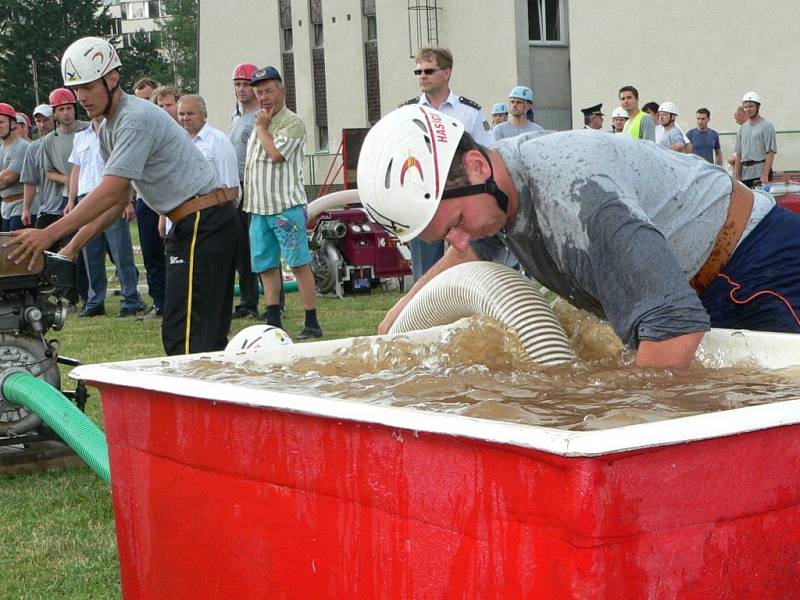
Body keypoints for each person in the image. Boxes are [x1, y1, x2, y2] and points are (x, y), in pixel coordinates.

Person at [357, 105, 800, 370]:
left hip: (755, 267)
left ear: (476, 167)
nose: (456, 240)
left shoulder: (577, 202)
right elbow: (470, 255)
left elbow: (674, 327)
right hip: (693, 281)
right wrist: (395, 323)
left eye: (453, 222)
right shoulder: (494, 190)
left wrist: (615, 421)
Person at [7, 36, 239, 355]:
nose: (81, 97)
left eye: (88, 86)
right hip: (192, 222)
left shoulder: (134, 119)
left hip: (204, 221)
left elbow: (111, 190)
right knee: (189, 334)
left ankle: (201, 404)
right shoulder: (110, 128)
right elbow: (117, 203)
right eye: (76, 89)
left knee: (189, 338)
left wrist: (48, 235)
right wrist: (71, 248)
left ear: (112, 79)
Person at [398, 46, 492, 281]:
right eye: (418, 72)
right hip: (424, 199)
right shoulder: (409, 112)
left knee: (467, 268)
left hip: (463, 199)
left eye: (429, 71)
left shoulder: (469, 113)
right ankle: (425, 317)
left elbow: (487, 156)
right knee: (425, 274)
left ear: (447, 73)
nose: (422, 76)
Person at [243, 66, 322, 339]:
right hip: (259, 208)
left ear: (282, 92)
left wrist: (262, 129)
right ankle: (273, 318)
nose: (263, 97)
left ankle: (311, 320)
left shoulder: (292, 123)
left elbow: (275, 155)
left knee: (298, 263)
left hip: (285, 207)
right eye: (259, 92)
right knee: (265, 265)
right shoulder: (259, 121)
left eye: (268, 91)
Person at [66, 115, 145, 317]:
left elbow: (123, 168)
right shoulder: (81, 137)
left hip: (111, 198)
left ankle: (131, 299)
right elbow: (76, 169)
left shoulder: (114, 132)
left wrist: (126, 200)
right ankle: (95, 302)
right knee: (90, 254)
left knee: (121, 253)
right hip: (86, 199)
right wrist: (71, 200)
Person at [228, 62, 262, 319]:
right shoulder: (237, 118)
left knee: (259, 246)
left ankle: (272, 301)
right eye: (237, 84)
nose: (241, 89)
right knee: (240, 248)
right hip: (236, 187)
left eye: (245, 84)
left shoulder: (261, 117)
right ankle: (248, 301)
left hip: (254, 186)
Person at [21, 105, 57, 229]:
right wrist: (26, 209)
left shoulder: (68, 140)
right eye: (38, 121)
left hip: (70, 207)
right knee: (38, 248)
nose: (42, 125)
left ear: (55, 119)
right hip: (46, 209)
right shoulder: (33, 148)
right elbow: (29, 181)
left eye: (46, 120)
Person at [734, 92, 777, 189]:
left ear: (757, 107)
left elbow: (770, 152)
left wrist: (765, 174)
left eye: (751, 106)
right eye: (745, 107)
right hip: (745, 174)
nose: (748, 109)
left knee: (760, 203)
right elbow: (738, 154)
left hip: (760, 173)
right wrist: (737, 176)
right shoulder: (741, 129)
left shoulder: (767, 126)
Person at [0, 103, 30, 232]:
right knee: (6, 250)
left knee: (17, 250)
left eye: (1, 122)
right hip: (6, 206)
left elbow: (7, 178)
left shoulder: (22, 147)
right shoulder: (1, 148)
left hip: (22, 207)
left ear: (12, 124)